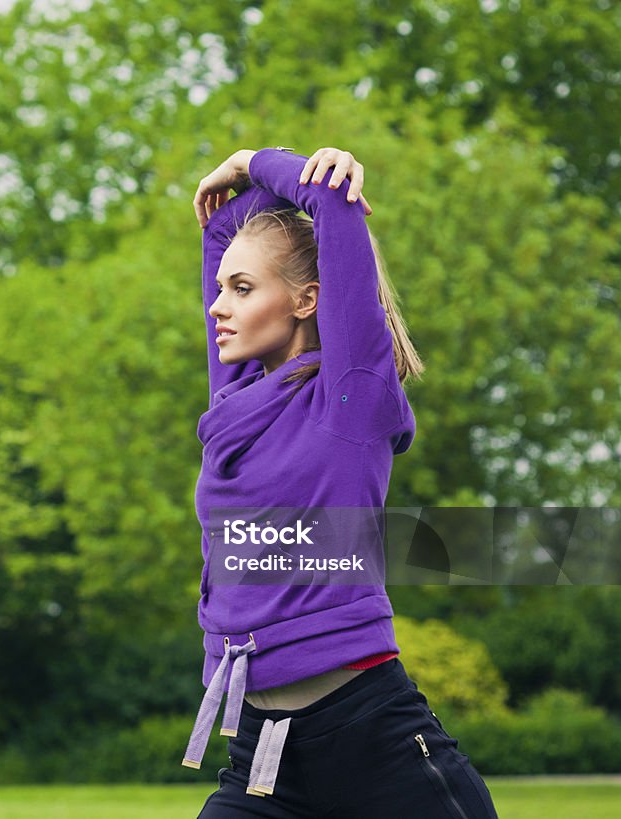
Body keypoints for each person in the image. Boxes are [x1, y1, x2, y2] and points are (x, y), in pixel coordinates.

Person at [181, 145, 499, 818]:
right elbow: (222, 229)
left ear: (307, 299)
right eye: (221, 288)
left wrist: (252, 158)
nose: (218, 307)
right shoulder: (236, 408)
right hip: (263, 761)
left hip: (373, 747)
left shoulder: (351, 398)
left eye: (242, 290)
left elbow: (327, 199)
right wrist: (237, 196)